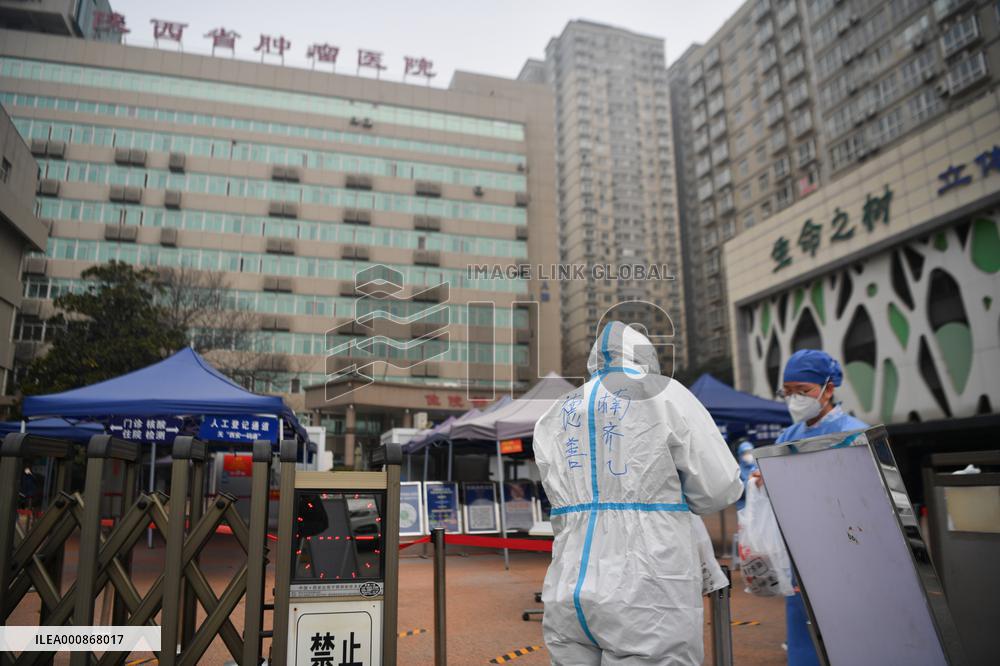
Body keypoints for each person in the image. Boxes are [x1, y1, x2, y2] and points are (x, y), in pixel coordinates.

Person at [533, 321, 743, 665]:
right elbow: (718, 488)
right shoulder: (666, 394)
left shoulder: (556, 410)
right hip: (647, 584)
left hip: (568, 580)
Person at [751, 349, 868, 666]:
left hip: (845, 553)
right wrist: (764, 480)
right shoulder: (789, 435)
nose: (794, 399)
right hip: (800, 552)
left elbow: (862, 498)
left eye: (803, 391)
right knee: (804, 637)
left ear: (829, 389)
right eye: (787, 392)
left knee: (848, 635)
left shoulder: (853, 432)